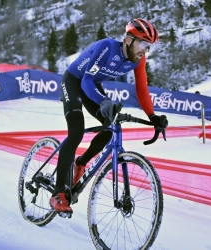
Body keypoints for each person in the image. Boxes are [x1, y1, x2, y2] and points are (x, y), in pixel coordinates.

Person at [50, 18, 169, 213]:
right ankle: (58, 193)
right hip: (74, 81)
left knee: (109, 127)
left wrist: (152, 116)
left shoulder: (138, 59)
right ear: (129, 39)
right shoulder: (107, 47)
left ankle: (80, 164)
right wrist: (103, 100)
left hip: (92, 86)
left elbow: (141, 89)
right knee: (76, 132)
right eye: (143, 44)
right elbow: (86, 79)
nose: (145, 51)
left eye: (149, 47)